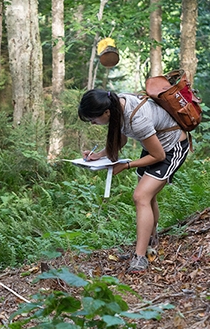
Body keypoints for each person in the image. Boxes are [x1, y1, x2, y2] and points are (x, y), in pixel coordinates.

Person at [78, 89, 189, 273]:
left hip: (171, 147)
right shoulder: (116, 106)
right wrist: (97, 155)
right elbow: (120, 141)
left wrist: (127, 165)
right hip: (154, 144)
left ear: (106, 112)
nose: (93, 123)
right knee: (148, 197)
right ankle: (150, 242)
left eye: (93, 119)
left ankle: (140, 258)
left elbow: (159, 155)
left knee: (141, 196)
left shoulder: (137, 119)